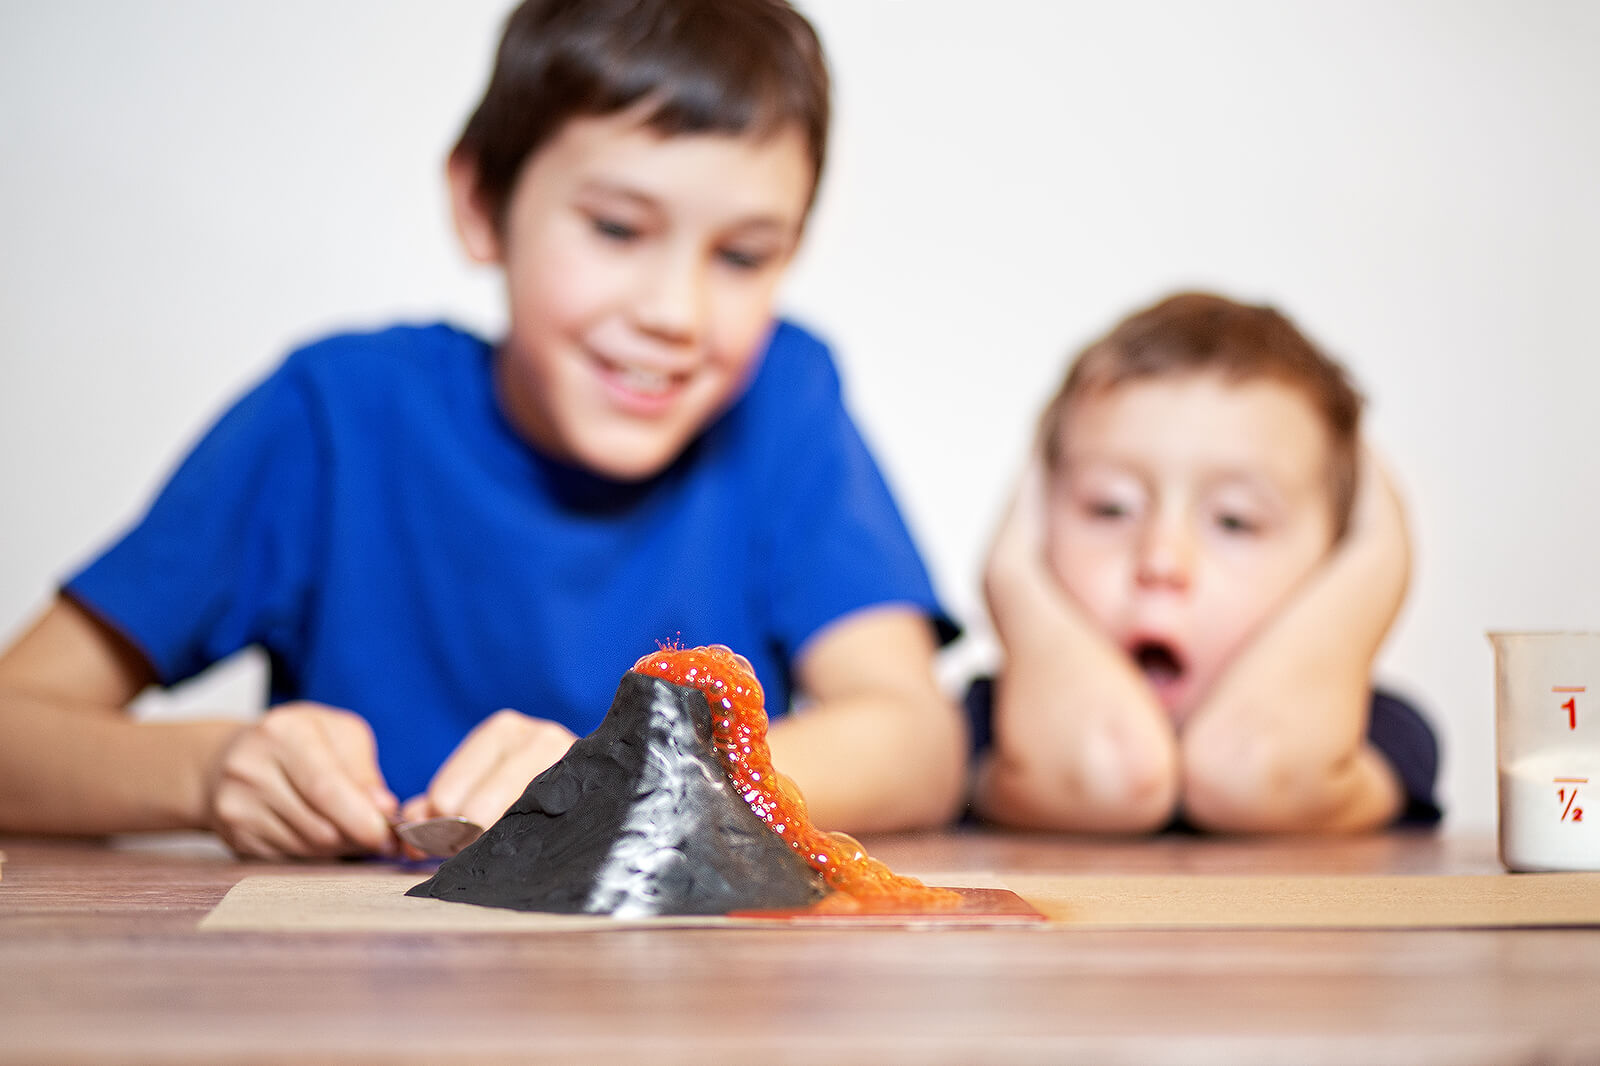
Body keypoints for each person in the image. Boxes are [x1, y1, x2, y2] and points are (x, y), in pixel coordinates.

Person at [0, 0, 967, 859]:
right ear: (480, 204)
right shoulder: (334, 421)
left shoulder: (781, 401)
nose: (677, 311)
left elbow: (917, 742)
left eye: (746, 255)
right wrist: (206, 772)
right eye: (618, 230)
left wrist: (649, 773)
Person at [970, 292, 1441, 833]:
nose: (1162, 560)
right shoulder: (986, 723)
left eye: (1235, 521)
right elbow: (1109, 773)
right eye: (1110, 507)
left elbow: (1252, 772)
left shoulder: (1375, 731)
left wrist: (1374, 559)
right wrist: (1017, 581)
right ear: (1034, 519)